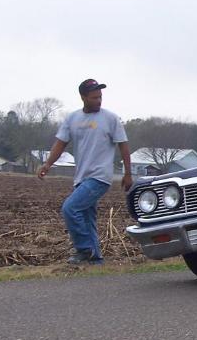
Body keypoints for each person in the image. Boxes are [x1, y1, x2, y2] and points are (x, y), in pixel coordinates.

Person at [38, 79, 133, 264]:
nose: (99, 101)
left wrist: (128, 173)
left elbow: (123, 146)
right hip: (81, 177)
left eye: (100, 97)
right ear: (83, 97)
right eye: (94, 97)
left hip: (100, 177)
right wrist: (47, 164)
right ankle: (95, 260)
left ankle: (83, 249)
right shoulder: (72, 119)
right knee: (88, 218)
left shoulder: (111, 119)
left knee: (70, 208)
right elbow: (60, 143)